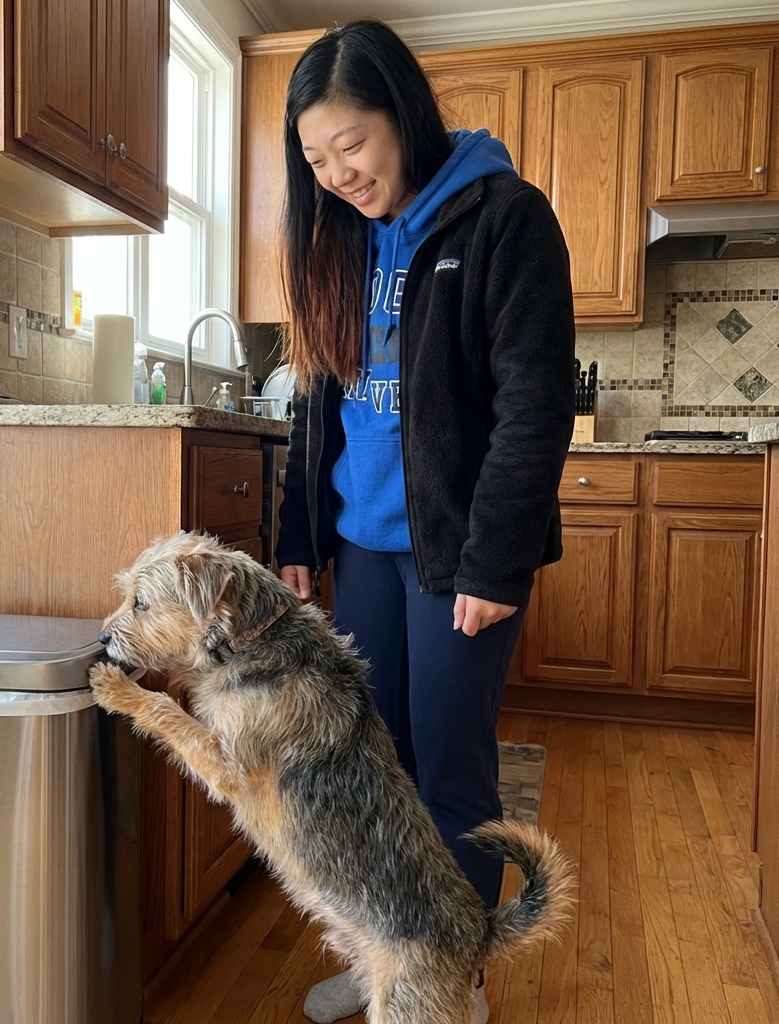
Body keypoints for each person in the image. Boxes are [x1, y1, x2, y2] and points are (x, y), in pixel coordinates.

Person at [273, 20, 575, 1024]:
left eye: (348, 143)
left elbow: (534, 405)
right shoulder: (336, 240)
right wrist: (298, 539)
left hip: (457, 559)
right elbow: (318, 402)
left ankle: (446, 985)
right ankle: (381, 965)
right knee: (369, 769)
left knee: (447, 769)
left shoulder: (503, 217)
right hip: (361, 551)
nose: (336, 173)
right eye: (315, 159)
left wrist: (496, 561)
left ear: (400, 112)